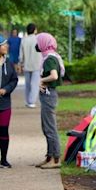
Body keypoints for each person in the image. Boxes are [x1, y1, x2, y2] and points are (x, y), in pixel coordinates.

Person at [35, 33, 64, 169]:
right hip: (47, 95)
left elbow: (54, 76)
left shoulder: (50, 59)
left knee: (50, 128)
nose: (37, 45)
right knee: (46, 127)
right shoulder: (50, 57)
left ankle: (56, 159)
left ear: (43, 44)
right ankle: (49, 156)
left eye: (39, 42)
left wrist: (41, 80)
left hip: (49, 96)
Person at [0, 35, 19, 168]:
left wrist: (6, 89)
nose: (6, 46)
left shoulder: (9, 63)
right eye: (3, 44)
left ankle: (4, 160)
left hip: (5, 104)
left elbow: (14, 80)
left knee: (3, 131)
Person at [19, 23, 42, 108]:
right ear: (35, 30)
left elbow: (21, 54)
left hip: (26, 65)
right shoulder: (38, 39)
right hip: (37, 64)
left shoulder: (24, 40)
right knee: (35, 84)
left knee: (28, 84)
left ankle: (28, 101)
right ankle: (32, 101)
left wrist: (20, 63)